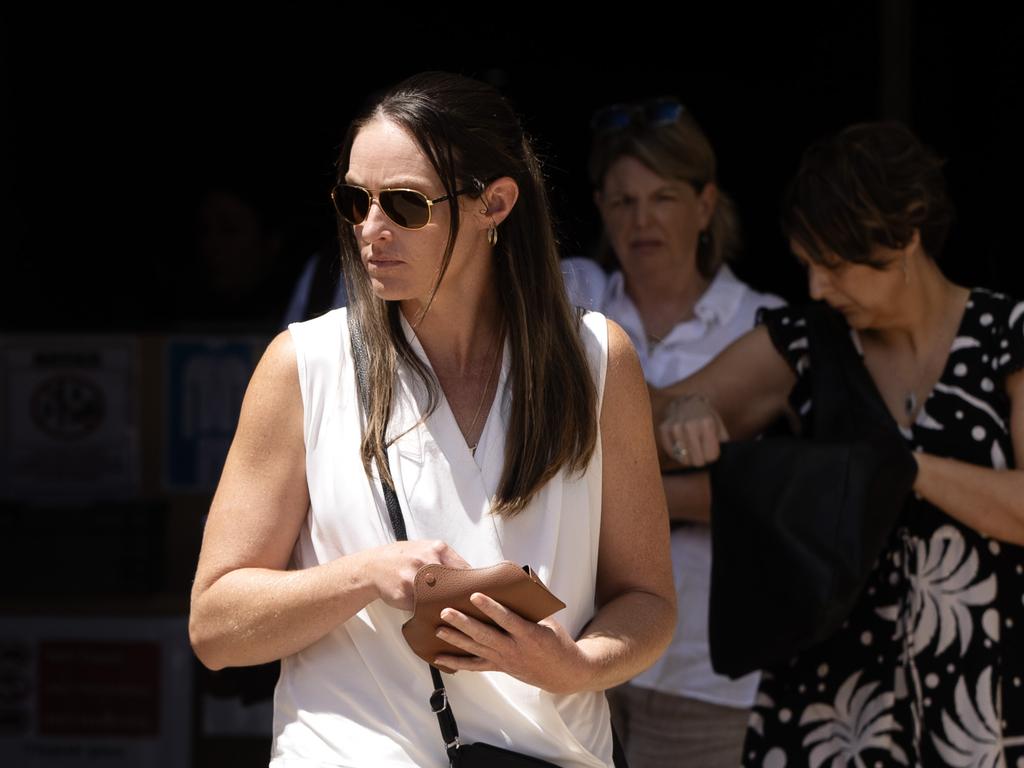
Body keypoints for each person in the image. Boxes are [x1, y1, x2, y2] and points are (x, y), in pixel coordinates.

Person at [188, 71, 676, 768]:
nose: (370, 228)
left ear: (494, 203)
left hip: (549, 753)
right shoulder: (306, 365)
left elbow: (649, 600)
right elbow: (215, 627)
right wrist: (363, 576)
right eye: (354, 200)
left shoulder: (598, 359)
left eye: (405, 205)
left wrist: (579, 666)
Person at [655, 121, 1024, 766]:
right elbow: (645, 424)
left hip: (981, 691)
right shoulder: (807, 341)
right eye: (808, 266)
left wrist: (903, 468)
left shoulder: (1006, 335)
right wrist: (683, 410)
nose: (820, 289)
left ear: (906, 233)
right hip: (827, 699)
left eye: (837, 265)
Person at [561, 98, 783, 767]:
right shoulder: (573, 296)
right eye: (622, 200)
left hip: (704, 664)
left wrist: (603, 475)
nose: (642, 218)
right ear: (600, 206)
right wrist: (692, 482)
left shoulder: (764, 324)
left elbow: (773, 500)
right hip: (572, 645)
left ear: (706, 202)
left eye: (662, 196)